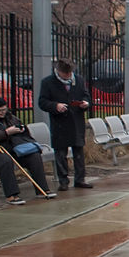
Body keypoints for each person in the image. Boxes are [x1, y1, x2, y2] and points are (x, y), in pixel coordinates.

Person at [0, 97, 56, 204]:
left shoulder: (10, 117)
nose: (3, 112)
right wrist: (6, 133)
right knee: (5, 160)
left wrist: (20, 130)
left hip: (14, 148)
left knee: (34, 156)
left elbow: (25, 132)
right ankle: (11, 194)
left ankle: (42, 189)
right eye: (0, 110)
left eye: (4, 109)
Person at [39, 59, 93, 190]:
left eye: (70, 73)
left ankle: (80, 179)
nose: (68, 76)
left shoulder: (78, 80)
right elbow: (42, 102)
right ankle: (63, 181)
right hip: (60, 123)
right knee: (61, 153)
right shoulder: (47, 82)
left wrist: (85, 103)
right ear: (58, 71)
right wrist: (55, 106)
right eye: (65, 73)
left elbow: (86, 96)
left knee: (79, 152)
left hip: (76, 121)